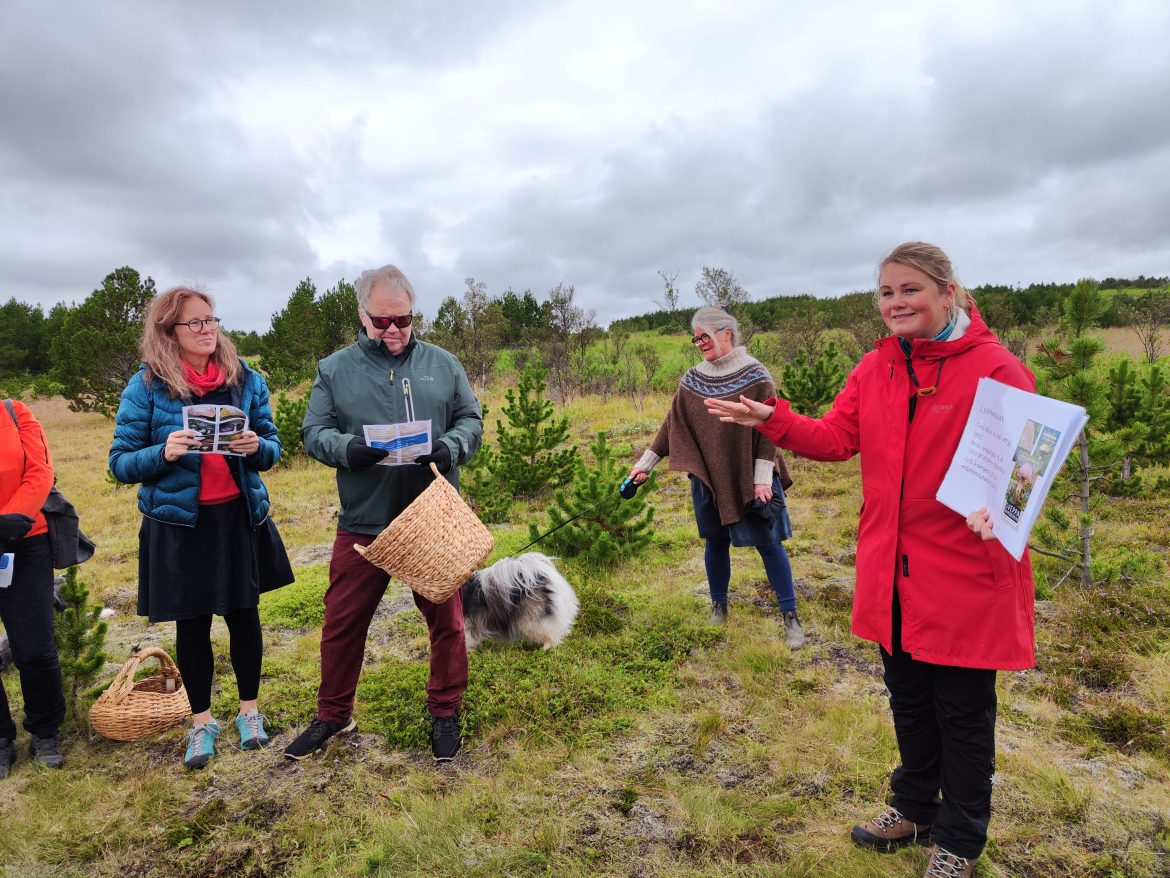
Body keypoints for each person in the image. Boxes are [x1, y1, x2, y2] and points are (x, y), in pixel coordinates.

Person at [706, 243, 1036, 878]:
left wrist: (1007, 510)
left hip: (965, 569)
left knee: (963, 713)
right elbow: (836, 439)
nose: (896, 303)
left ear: (948, 292)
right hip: (891, 569)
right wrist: (771, 418)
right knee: (908, 697)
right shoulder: (876, 368)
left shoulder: (996, 369)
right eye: (886, 293)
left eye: (910, 290)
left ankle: (960, 841)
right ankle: (914, 808)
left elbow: (1027, 465)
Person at [286, 264, 483, 763]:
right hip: (364, 521)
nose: (393, 331)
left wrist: (450, 447)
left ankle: (445, 710)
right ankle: (333, 714)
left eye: (403, 320)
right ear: (362, 315)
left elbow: (471, 420)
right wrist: (347, 449)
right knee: (342, 623)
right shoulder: (334, 370)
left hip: (432, 519)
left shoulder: (443, 363)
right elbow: (313, 433)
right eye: (382, 322)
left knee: (448, 622)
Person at [109, 287, 292, 770]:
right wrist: (163, 452)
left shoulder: (245, 379)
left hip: (236, 518)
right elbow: (120, 464)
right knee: (192, 624)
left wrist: (257, 447)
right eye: (195, 323)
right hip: (179, 525)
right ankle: (201, 722)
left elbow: (273, 449)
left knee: (243, 614)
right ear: (169, 332)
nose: (208, 329)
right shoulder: (146, 386)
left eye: (211, 320)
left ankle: (249, 713)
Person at [628, 306, 804, 648]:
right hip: (708, 476)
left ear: (727, 333)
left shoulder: (756, 375)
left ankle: (790, 616)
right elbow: (672, 423)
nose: (700, 343)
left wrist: (762, 478)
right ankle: (719, 607)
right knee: (715, 542)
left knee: (769, 544)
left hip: (750, 475)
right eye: (696, 338)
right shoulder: (693, 379)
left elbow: (769, 428)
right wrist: (645, 464)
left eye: (705, 335)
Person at [0, 400, 66, 776]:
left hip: (24, 541)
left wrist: (12, 520)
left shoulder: (15, 412)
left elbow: (40, 472)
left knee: (35, 648)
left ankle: (45, 731)